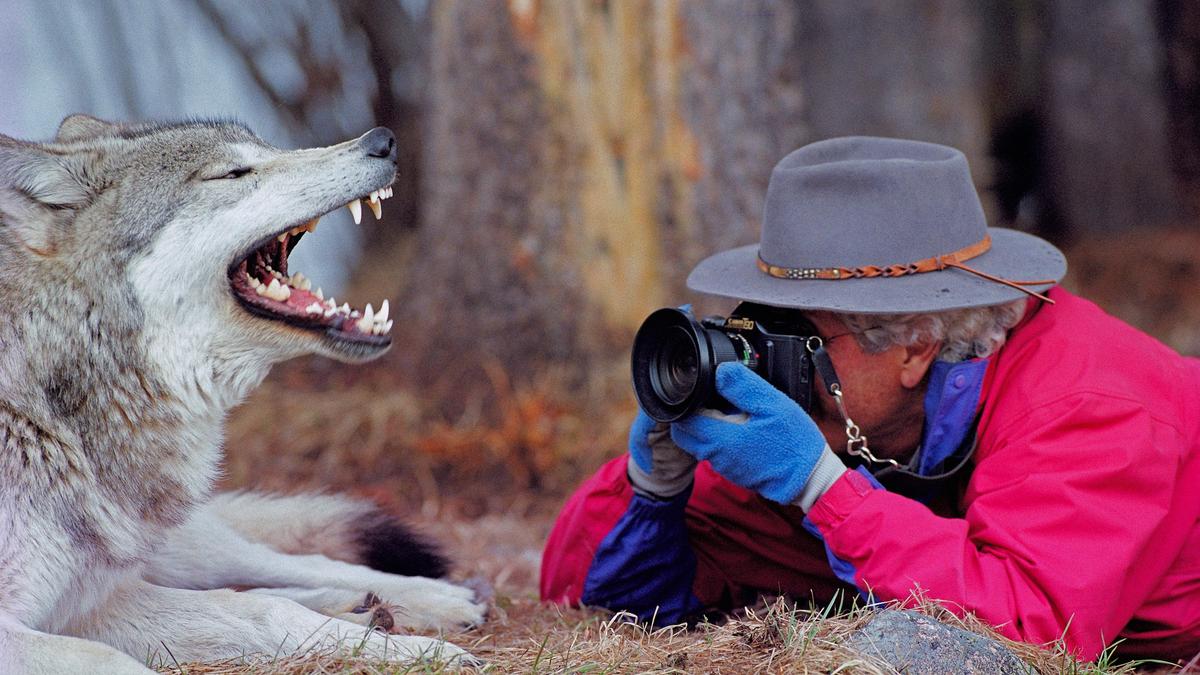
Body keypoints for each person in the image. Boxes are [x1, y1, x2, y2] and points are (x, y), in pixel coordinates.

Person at [539, 137, 1200, 662]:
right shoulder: (835, 423)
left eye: (802, 335)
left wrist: (827, 491)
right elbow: (585, 600)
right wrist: (654, 490)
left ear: (914, 347)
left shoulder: (1088, 403)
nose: (772, 358)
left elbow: (1033, 636)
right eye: (762, 321)